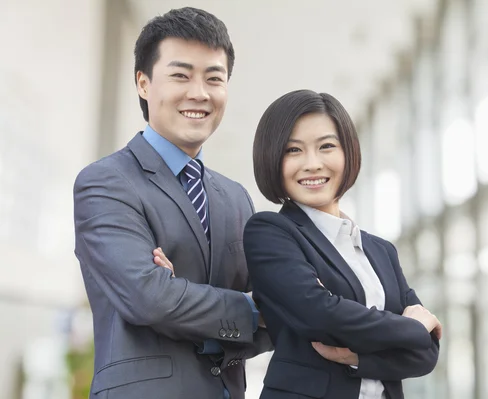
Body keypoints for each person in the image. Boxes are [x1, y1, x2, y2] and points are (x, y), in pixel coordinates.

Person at [73, 8, 271, 399]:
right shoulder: (106, 183)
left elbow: (275, 313)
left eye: (214, 78)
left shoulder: (236, 197)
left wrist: (182, 293)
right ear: (143, 83)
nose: (199, 92)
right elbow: (150, 299)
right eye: (181, 75)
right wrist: (248, 308)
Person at [243, 90, 441, 399]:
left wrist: (358, 359)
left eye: (326, 146)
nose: (312, 164)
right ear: (272, 159)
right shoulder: (271, 232)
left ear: (348, 152)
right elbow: (321, 316)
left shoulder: (381, 251)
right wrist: (412, 327)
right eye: (293, 150)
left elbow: (426, 354)